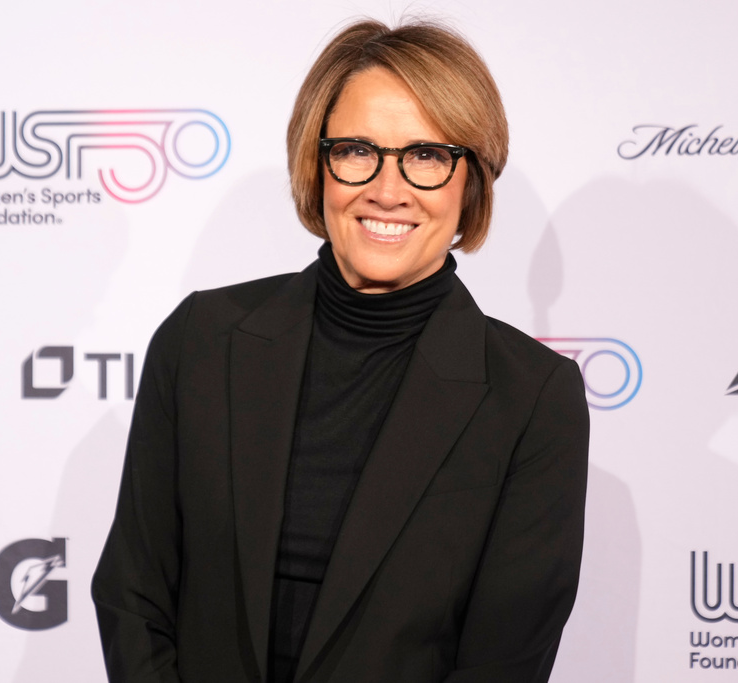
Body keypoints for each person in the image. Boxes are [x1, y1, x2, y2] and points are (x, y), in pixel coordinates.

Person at [92, 18, 589, 683]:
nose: (388, 188)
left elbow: (502, 661)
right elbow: (134, 593)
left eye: (427, 155)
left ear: (470, 180)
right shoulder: (201, 342)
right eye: (357, 150)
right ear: (316, 162)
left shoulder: (531, 398)